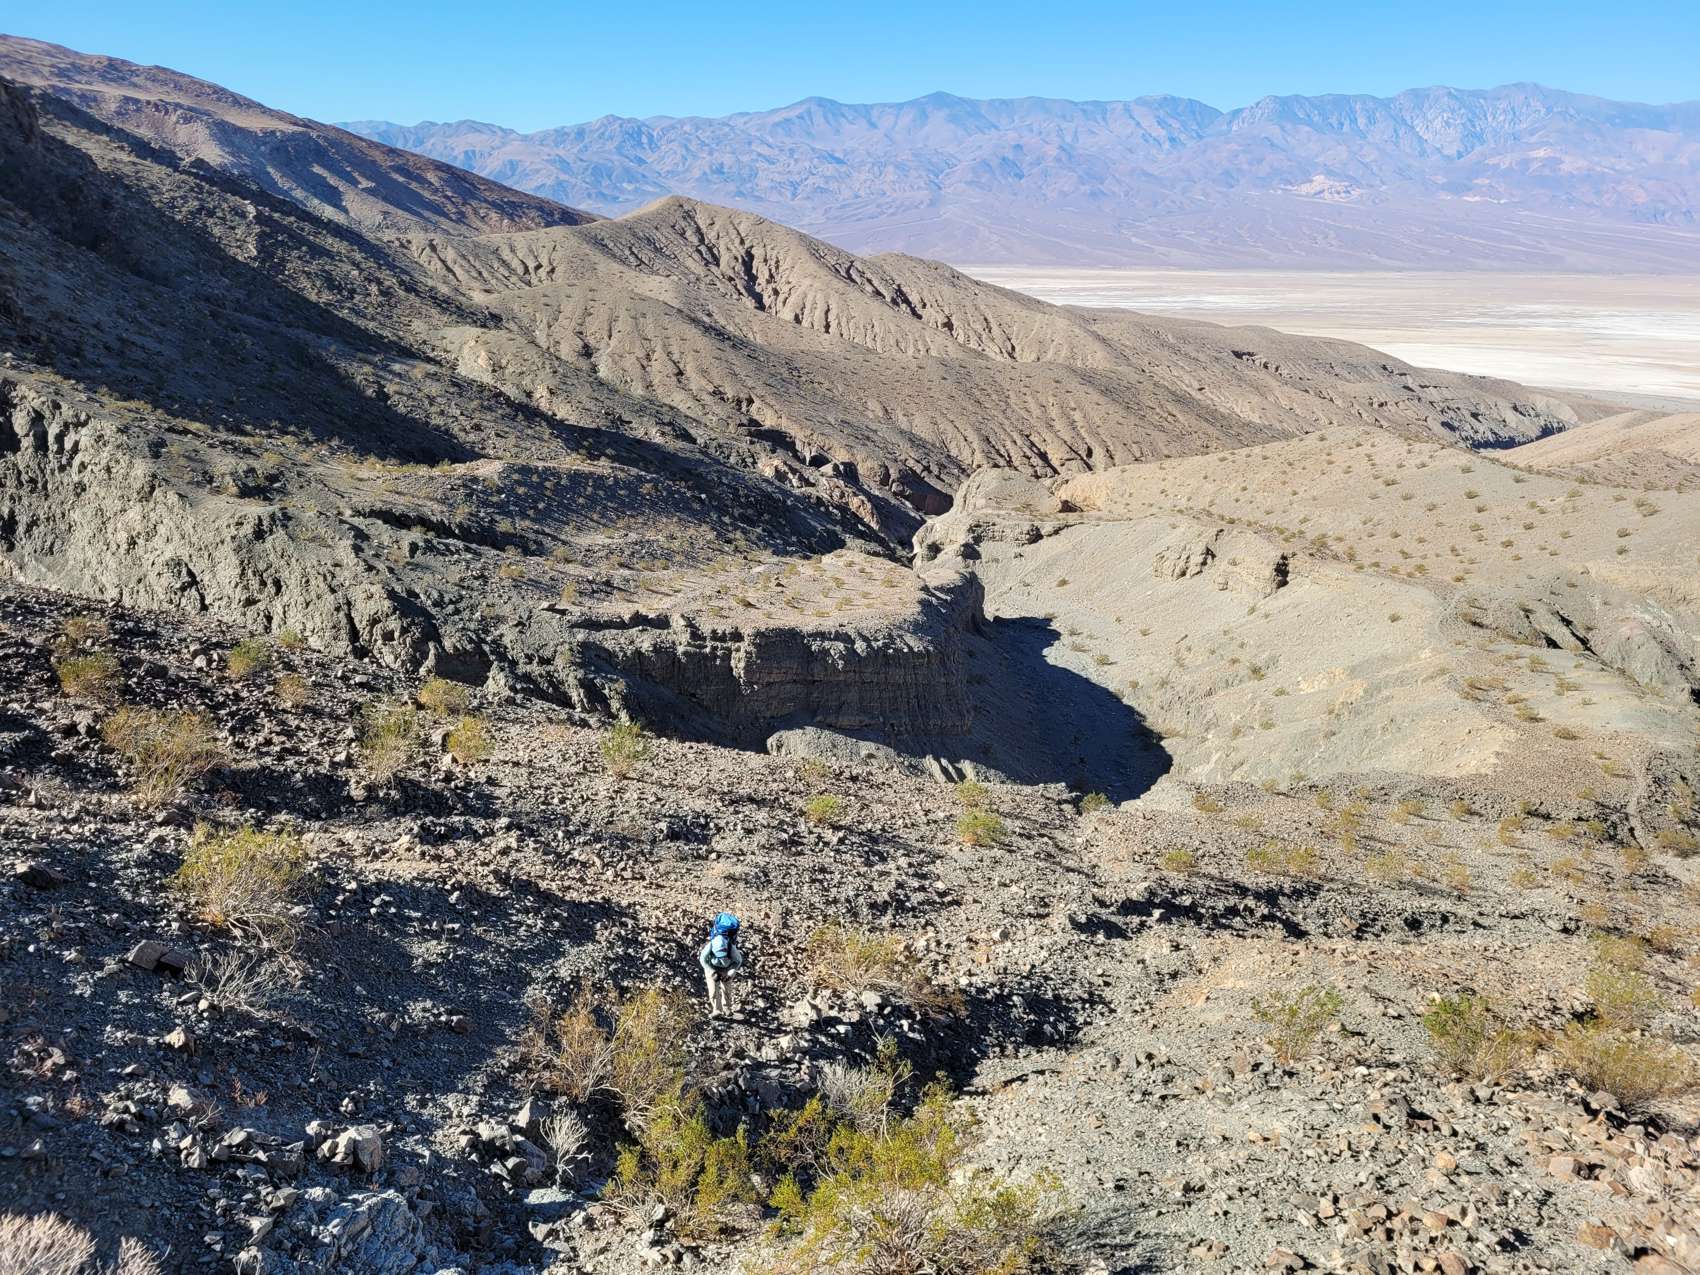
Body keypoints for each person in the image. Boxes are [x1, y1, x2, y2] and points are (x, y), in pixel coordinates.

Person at [699, 911, 744, 1017]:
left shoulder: (730, 947)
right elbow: (703, 960)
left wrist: (730, 973)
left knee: (726, 989)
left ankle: (727, 1009)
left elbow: (738, 961)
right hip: (711, 966)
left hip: (727, 968)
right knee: (713, 990)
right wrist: (712, 972)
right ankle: (717, 1010)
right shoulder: (710, 946)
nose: (721, 957)